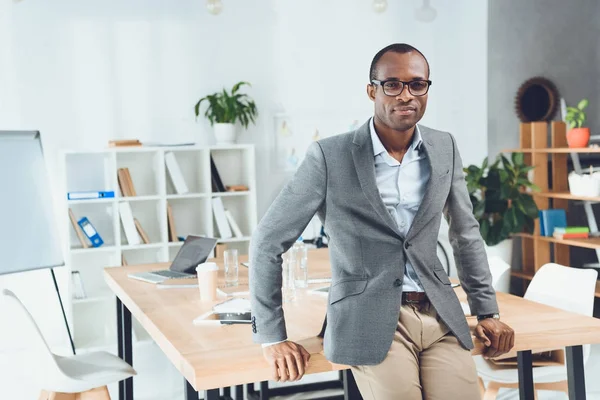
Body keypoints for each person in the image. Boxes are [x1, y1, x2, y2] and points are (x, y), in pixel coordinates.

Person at [249, 43, 514, 399]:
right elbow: (268, 241)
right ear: (372, 90)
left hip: (439, 315)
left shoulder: (444, 146)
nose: (406, 95)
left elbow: (466, 234)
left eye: (417, 84)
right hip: (369, 319)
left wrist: (486, 310)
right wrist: (272, 337)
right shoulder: (330, 156)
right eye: (393, 84)